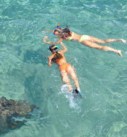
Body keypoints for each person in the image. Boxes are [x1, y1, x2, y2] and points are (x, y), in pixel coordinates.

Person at [43, 26, 127, 56]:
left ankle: (116, 51)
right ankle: (119, 40)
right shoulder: (66, 31)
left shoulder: (62, 37)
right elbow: (57, 29)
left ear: (58, 33)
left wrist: (46, 41)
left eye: (55, 33)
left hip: (82, 40)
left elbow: (55, 43)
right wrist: (48, 31)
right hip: (84, 36)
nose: (54, 33)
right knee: (103, 41)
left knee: (100, 47)